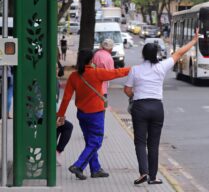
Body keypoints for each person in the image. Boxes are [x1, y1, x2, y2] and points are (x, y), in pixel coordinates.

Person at [124, 29, 199, 185]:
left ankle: (143, 172)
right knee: (153, 143)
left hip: (140, 106)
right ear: (157, 54)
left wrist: (134, 95)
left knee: (140, 141)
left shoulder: (135, 70)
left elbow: (127, 90)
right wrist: (194, 40)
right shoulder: (161, 67)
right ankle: (153, 177)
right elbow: (179, 53)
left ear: (143, 54)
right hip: (157, 107)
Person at [57, 49, 130, 180]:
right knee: (96, 142)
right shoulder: (97, 73)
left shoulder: (74, 76)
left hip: (82, 114)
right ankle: (78, 166)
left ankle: (95, 169)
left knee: (90, 141)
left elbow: (66, 98)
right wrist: (133, 69)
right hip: (95, 114)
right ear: (91, 60)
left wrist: (60, 114)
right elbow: (116, 73)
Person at [56, 49, 72, 166]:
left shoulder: (55, 81)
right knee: (67, 127)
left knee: (61, 126)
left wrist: (59, 114)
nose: (57, 70)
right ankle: (56, 152)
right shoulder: (50, 81)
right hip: (44, 115)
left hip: (53, 113)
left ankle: (55, 152)